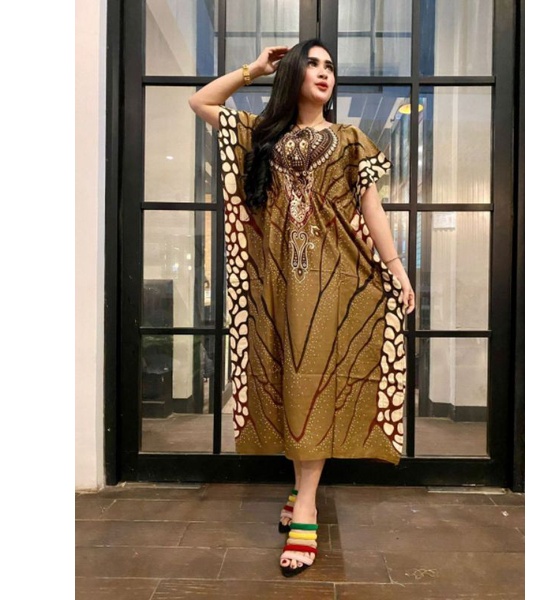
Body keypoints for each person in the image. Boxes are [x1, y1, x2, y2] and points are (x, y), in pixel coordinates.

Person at [189, 39, 415, 578]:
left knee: (313, 383)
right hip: (276, 284)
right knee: (291, 385)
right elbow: (201, 101)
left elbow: (371, 206)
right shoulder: (261, 135)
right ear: (292, 74)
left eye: (330, 66)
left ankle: (306, 508)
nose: (324, 73)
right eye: (312, 64)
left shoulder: (349, 140)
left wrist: (396, 267)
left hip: (336, 279)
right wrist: (254, 69)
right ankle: (300, 490)